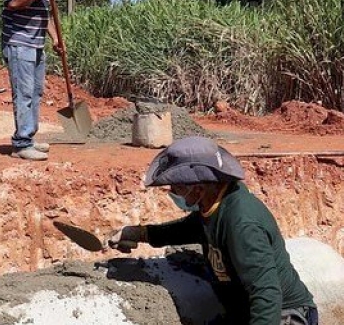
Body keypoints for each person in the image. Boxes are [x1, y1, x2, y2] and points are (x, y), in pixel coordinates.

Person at [109, 136, 318, 325]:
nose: (172, 194)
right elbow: (182, 230)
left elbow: (266, 294)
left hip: (283, 314)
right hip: (245, 310)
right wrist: (139, 233)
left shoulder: (241, 224)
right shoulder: (212, 206)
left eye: (177, 189)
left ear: (198, 188)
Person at [2, 0, 61, 161]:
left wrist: (55, 38)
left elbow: (43, 12)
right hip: (19, 41)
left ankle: (29, 138)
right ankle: (21, 144)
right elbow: (13, 3)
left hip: (36, 43)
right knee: (24, 93)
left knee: (35, 92)